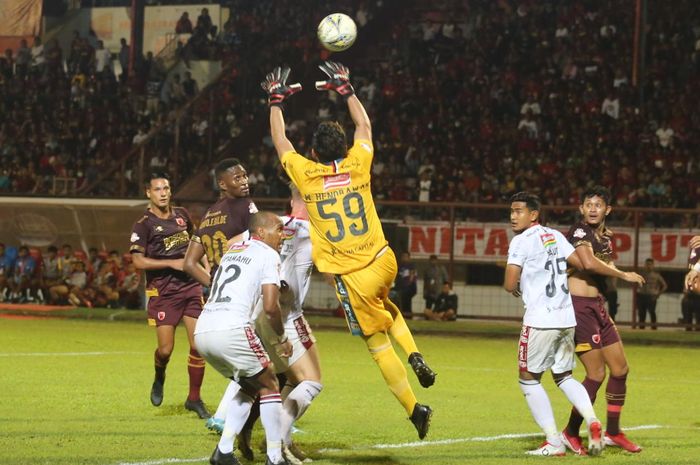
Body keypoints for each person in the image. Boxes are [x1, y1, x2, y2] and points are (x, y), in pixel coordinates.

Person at [263, 62, 435, 440]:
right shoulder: (359, 163)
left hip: (353, 274)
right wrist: (347, 91)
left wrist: (275, 102)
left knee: (377, 344)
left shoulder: (306, 175)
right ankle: (415, 353)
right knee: (386, 306)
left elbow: (281, 143)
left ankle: (414, 409)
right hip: (382, 259)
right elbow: (365, 128)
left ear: (313, 152)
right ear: (344, 147)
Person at [504, 192, 603, 456]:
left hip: (540, 320)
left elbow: (508, 284)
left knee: (528, 379)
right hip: (566, 318)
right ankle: (592, 418)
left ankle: (553, 441)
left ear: (534, 214)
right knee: (564, 376)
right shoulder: (556, 236)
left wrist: (521, 282)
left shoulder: (521, 241)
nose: (513, 216)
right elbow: (580, 263)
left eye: (519, 211)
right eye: (512, 211)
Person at [194, 211, 290, 465]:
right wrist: (282, 339)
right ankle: (275, 458)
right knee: (270, 383)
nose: (283, 235)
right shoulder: (268, 254)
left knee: (250, 385)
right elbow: (271, 307)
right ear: (261, 232)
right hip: (232, 328)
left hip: (203, 330)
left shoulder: (234, 250)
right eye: (279, 229)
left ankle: (223, 452)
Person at [561, 186, 645, 455]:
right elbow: (586, 264)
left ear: (608, 210)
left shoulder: (604, 239)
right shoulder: (579, 231)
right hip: (578, 309)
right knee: (596, 374)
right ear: (581, 209)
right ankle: (571, 432)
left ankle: (613, 431)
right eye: (589, 204)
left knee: (620, 369)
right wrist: (624, 274)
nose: (593, 209)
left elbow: (599, 274)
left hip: (597, 307)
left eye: (598, 205)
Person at [182, 158, 257, 437]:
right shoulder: (245, 206)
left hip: (222, 294)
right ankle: (267, 417)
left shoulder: (210, 214)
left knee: (255, 360)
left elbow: (189, 263)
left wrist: (213, 283)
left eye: (245, 175)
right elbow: (256, 239)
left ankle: (229, 415)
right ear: (222, 184)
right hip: (244, 290)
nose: (244, 181)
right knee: (259, 359)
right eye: (236, 178)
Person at [129, 172, 209, 419]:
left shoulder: (182, 215)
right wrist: (171, 264)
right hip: (163, 292)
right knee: (165, 350)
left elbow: (197, 243)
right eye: (157, 189)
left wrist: (205, 269)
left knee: (199, 346)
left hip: (190, 287)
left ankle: (194, 398)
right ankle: (159, 374)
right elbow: (138, 261)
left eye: (166, 188)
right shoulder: (143, 225)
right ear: (148, 193)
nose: (163, 193)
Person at [254, 186, 322, 464]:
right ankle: (277, 443)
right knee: (311, 382)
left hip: (259, 311)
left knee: (289, 380)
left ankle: (283, 440)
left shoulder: (272, 226)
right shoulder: (315, 231)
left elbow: (237, 241)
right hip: (285, 315)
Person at [636, 258, 667, 329]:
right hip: (642, 295)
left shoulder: (656, 275)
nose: (648, 266)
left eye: (650, 264)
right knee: (641, 313)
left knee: (652, 312)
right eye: (647, 264)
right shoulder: (641, 275)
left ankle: (653, 328)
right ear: (644, 265)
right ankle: (641, 329)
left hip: (652, 296)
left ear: (653, 265)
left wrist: (658, 294)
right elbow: (634, 284)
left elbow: (664, 286)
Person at [395, 251, 418, 318]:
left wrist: (408, 284)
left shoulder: (411, 266)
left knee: (406, 300)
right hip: (401, 288)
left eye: (405, 257)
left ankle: (408, 315)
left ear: (409, 258)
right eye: (403, 257)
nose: (404, 258)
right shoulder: (399, 266)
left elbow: (412, 276)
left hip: (410, 287)